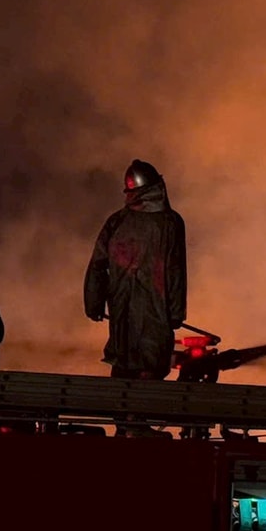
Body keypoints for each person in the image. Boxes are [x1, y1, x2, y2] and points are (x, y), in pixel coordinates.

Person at [83, 160, 187, 380]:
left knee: (122, 373)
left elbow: (97, 266)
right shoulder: (170, 223)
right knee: (149, 376)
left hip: (122, 319)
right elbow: (175, 271)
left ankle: (124, 415)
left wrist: (94, 305)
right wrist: (176, 313)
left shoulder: (117, 221)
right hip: (156, 320)